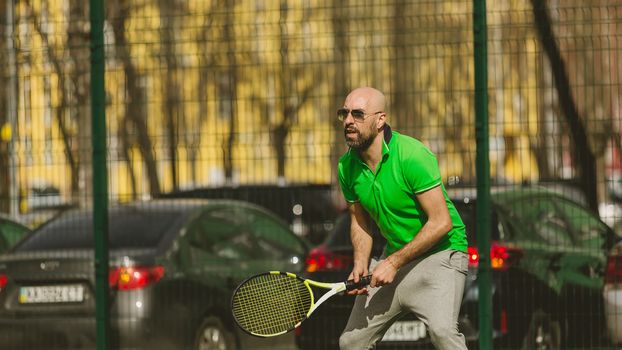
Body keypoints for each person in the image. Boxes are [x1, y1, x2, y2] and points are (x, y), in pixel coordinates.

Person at [336, 87, 469, 350]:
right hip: (396, 256)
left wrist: (393, 262)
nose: (349, 120)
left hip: (442, 253)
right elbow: (360, 223)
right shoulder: (346, 167)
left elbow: (442, 222)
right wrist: (361, 264)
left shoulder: (412, 155)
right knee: (351, 342)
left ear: (380, 120)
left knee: (443, 333)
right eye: (345, 113)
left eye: (358, 114)